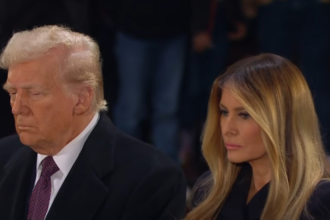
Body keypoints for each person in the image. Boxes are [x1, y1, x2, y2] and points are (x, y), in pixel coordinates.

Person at [0, 25, 186, 220]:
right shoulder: (4, 156)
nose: (17, 108)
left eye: (35, 93)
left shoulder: (151, 180)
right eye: (13, 93)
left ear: (82, 99)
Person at [184, 54, 330, 220]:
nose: (227, 129)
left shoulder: (320, 202)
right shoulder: (209, 190)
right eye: (224, 112)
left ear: (282, 121)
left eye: (244, 115)